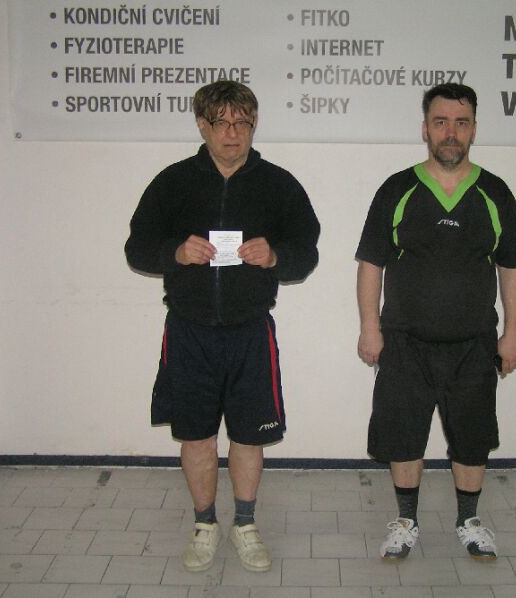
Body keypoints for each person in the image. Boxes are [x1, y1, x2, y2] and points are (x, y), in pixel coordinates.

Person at [125, 80, 320, 573]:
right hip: (188, 331)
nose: (232, 133)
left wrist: (275, 256)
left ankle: (246, 525)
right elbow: (136, 248)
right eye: (221, 123)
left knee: (249, 436)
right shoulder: (173, 182)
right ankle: (205, 524)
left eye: (242, 122)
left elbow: (306, 252)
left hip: (250, 331)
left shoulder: (278, 184)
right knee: (196, 436)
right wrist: (175, 252)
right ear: (202, 125)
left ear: (254, 125)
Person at [355, 83, 516, 560]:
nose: (451, 132)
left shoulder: (495, 192)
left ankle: (468, 520)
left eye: (461, 122)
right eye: (441, 122)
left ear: (473, 129)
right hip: (404, 341)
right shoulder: (397, 189)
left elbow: (511, 269)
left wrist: (512, 334)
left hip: (474, 344)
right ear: (425, 129)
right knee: (403, 433)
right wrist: (370, 328)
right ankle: (405, 521)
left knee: (472, 437)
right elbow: (371, 264)